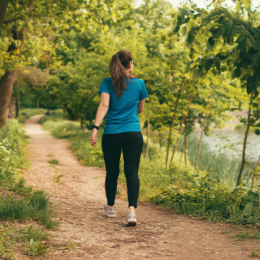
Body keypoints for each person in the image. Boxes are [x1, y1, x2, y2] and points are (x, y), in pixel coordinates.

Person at [90, 50, 148, 226]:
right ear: (130, 64)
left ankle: (111, 207)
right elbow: (140, 108)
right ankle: (131, 211)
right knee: (132, 171)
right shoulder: (139, 83)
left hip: (111, 134)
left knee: (112, 171)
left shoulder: (107, 83)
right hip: (132, 133)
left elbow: (104, 105)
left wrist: (95, 128)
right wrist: (129, 112)